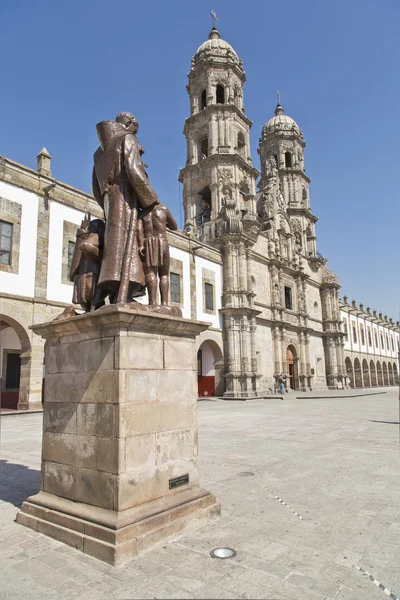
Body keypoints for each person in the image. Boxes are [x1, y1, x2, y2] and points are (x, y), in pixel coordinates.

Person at [92, 112, 158, 304]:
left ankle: (113, 289)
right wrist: (152, 200)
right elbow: (133, 169)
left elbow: (95, 186)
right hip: (126, 197)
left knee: (113, 245)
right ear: (129, 125)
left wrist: (106, 201)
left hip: (109, 199)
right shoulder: (126, 139)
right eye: (135, 129)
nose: (135, 134)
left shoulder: (99, 153)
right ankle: (126, 291)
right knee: (128, 244)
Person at [139, 202, 178, 305]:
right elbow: (174, 226)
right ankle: (164, 303)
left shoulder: (142, 213)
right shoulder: (163, 209)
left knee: (150, 273)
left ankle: (152, 302)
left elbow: (138, 230)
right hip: (163, 242)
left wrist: (141, 245)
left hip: (148, 242)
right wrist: (163, 222)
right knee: (164, 274)